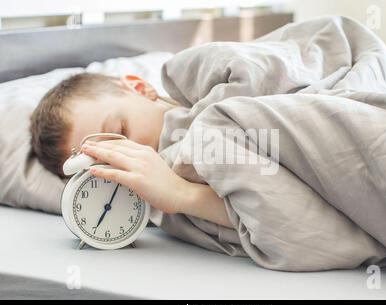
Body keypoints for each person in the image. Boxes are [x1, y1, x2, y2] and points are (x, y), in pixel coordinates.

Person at [30, 72, 233, 228]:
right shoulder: (163, 209)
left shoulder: (220, 89)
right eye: (108, 164)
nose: (128, 157)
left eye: (120, 131)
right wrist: (182, 195)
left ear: (139, 87)